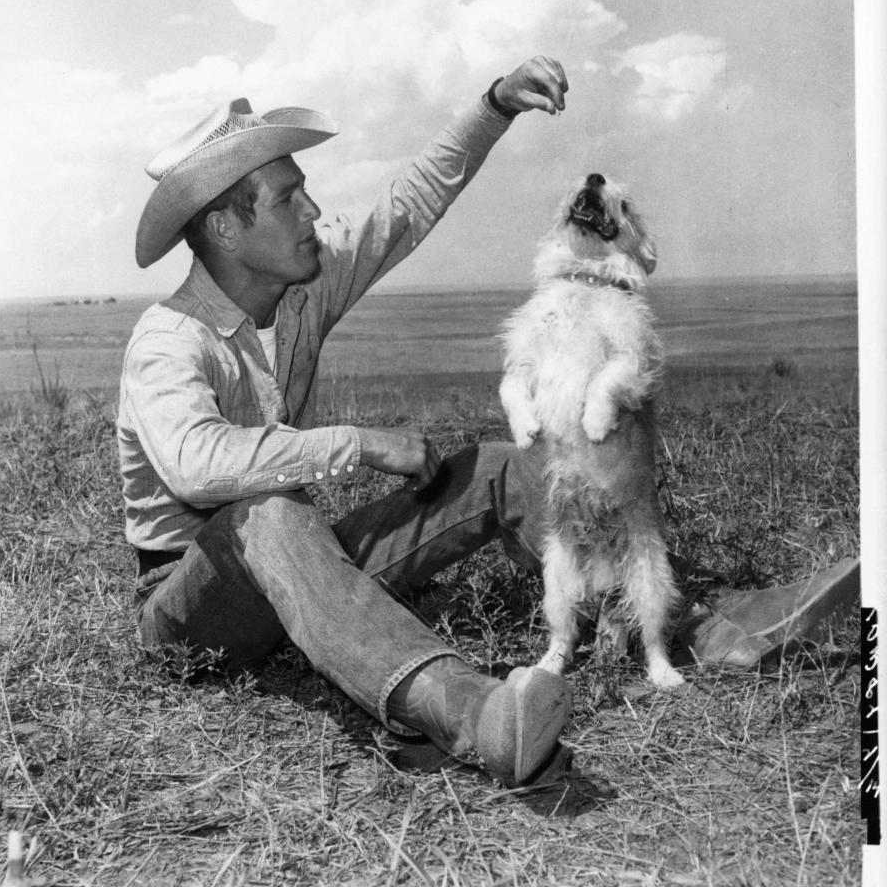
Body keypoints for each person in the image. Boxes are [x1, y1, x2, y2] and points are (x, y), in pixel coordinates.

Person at [118, 55, 859, 786]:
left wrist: (495, 104)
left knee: (500, 466)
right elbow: (193, 461)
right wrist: (360, 443)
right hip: (196, 607)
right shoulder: (168, 340)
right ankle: (480, 718)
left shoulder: (302, 291)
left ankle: (696, 628)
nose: (313, 212)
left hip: (302, 575)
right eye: (288, 200)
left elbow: (404, 206)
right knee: (272, 515)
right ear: (223, 226)